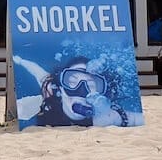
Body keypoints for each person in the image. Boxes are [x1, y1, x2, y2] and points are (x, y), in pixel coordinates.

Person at [13, 55, 141, 128]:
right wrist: (21, 61)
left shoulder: (105, 116)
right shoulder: (50, 92)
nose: (81, 90)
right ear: (61, 86)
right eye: (72, 81)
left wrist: (118, 119)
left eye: (91, 84)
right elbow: (38, 72)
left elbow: (137, 119)